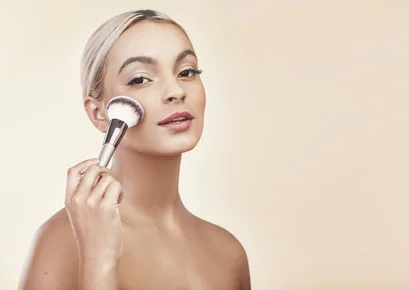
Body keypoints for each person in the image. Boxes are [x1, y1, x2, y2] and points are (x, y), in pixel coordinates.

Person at [18, 9, 251, 290]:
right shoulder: (62, 242)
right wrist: (98, 260)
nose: (176, 90)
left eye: (187, 72)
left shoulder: (228, 253)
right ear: (98, 113)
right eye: (140, 79)